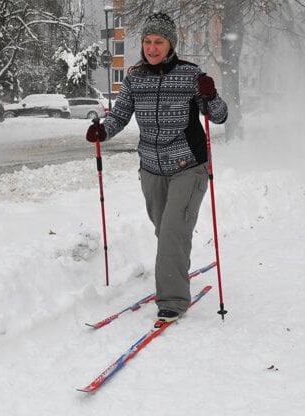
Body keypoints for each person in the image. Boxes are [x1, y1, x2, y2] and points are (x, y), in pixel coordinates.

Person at [85, 12, 228, 324]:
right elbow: (120, 115)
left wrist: (210, 93)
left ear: (170, 44)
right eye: (148, 41)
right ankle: (174, 273)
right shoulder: (136, 78)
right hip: (151, 168)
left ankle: (173, 300)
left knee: (173, 233)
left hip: (188, 166)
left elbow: (218, 116)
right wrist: (103, 131)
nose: (152, 47)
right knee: (163, 230)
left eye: (158, 41)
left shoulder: (191, 75)